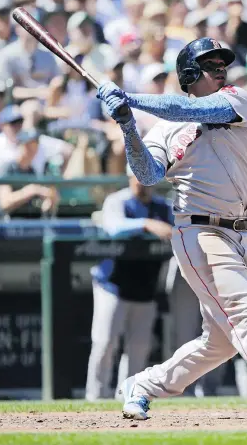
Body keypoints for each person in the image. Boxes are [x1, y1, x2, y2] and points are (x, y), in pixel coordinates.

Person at [97, 37, 247, 420]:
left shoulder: (237, 99)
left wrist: (132, 99)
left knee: (220, 343)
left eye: (222, 62)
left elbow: (181, 107)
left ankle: (142, 385)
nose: (220, 68)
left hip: (246, 233)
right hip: (200, 231)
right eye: (210, 64)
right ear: (189, 73)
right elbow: (147, 173)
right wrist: (127, 126)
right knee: (244, 317)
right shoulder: (163, 131)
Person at [85, 167, 173, 401]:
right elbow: (113, 227)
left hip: (146, 287)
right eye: (137, 177)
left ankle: (128, 396)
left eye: (145, 178)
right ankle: (95, 397)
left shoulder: (163, 207)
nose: (141, 183)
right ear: (129, 177)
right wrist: (145, 224)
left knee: (139, 348)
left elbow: (179, 230)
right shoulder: (118, 201)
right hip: (112, 284)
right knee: (105, 343)